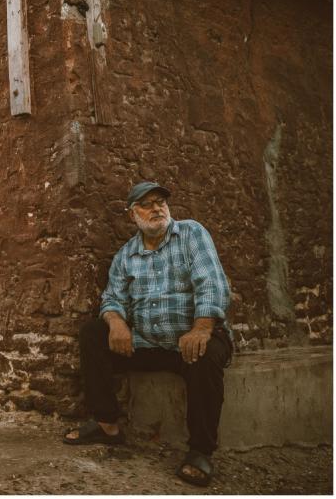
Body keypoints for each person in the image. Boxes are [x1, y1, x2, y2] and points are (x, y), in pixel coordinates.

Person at [63, 182, 233, 488]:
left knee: (207, 358)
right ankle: (106, 424)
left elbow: (212, 283)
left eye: (161, 202)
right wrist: (116, 322)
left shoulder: (191, 233)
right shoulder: (126, 255)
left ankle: (200, 451)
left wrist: (201, 328)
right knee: (93, 333)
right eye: (147, 204)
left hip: (193, 338)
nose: (157, 208)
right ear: (133, 215)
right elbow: (112, 299)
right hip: (148, 342)